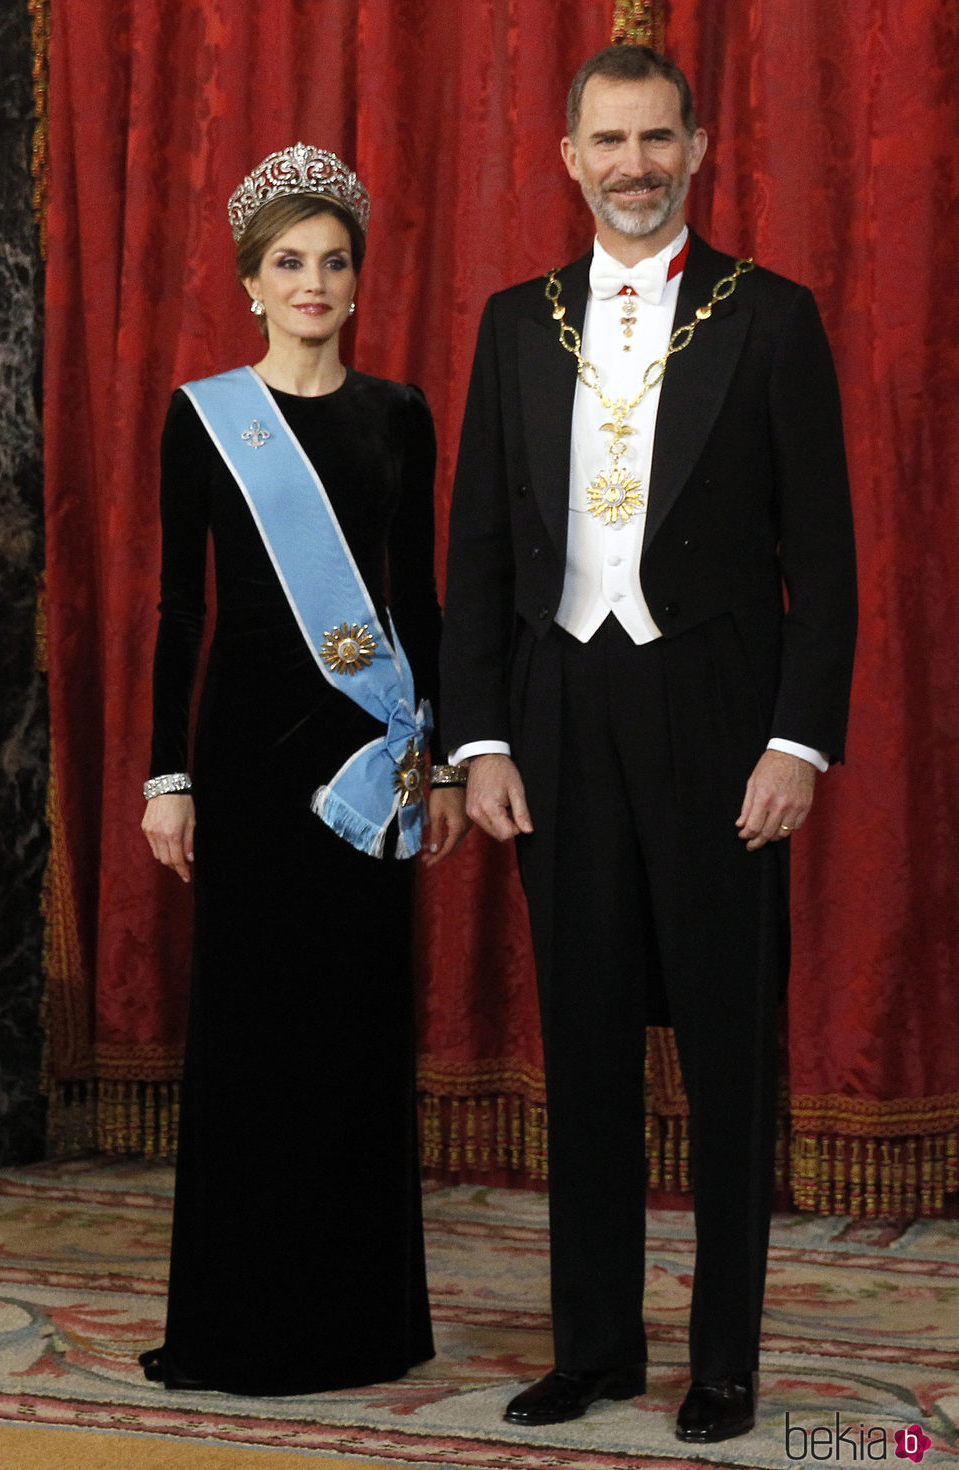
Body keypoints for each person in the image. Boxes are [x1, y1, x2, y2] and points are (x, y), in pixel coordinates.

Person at [441, 47, 856, 1444]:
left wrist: (798, 741)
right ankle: (597, 1346)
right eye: (608, 140)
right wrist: (479, 737)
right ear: (568, 155)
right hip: (556, 723)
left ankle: (724, 1358)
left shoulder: (774, 318)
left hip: (721, 723)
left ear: (698, 146)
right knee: (586, 1044)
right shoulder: (516, 322)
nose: (634, 164)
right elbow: (481, 551)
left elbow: (831, 563)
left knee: (731, 1051)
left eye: (656, 138)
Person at [139, 143, 468, 1396]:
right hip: (245, 762)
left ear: (355, 278)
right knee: (254, 1038)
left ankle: (356, 1323)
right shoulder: (204, 415)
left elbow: (418, 601)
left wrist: (434, 764)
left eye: (333, 262)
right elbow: (180, 611)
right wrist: (166, 778)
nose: (314, 282)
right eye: (290, 263)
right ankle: (242, 1323)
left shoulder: (400, 414)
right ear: (251, 282)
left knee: (353, 1035)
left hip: (367, 762)